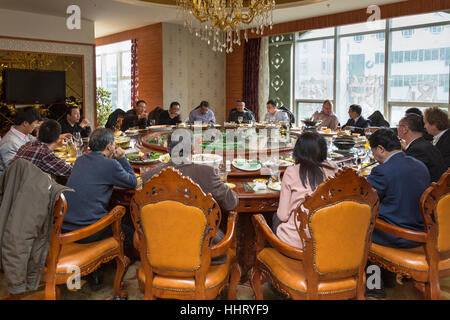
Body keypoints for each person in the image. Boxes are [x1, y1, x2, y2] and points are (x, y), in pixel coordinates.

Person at [142, 128, 238, 265]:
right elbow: (231, 203)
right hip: (201, 250)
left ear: (167, 150)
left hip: (159, 249)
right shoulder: (206, 173)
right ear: (192, 149)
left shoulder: (149, 176)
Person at [61, 128, 138, 290]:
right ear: (110, 146)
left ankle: (97, 269)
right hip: (88, 230)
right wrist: (122, 158)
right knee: (130, 231)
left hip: (66, 227)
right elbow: (132, 182)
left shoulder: (81, 160)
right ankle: (111, 265)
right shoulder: (110, 164)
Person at [273, 132, 338, 249]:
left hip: (297, 242)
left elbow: (283, 216)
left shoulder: (291, 171)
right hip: (327, 239)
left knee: (275, 217)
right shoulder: (333, 168)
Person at [367, 128, 430, 249]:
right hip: (421, 231)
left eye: (372, 151)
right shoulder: (420, 165)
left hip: (395, 235)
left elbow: (364, 198)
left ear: (380, 149)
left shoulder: (382, 171)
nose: (373, 156)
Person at [397, 114, 446, 182]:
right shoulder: (425, 144)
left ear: (405, 129)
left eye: (398, 126)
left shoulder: (417, 150)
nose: (397, 128)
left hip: (427, 190)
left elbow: (409, 177)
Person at [0, 107, 42, 176]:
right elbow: (14, 170)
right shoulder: (9, 142)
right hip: (12, 182)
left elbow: (38, 142)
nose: (37, 126)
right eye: (36, 123)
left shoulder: (24, 134)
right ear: (25, 123)